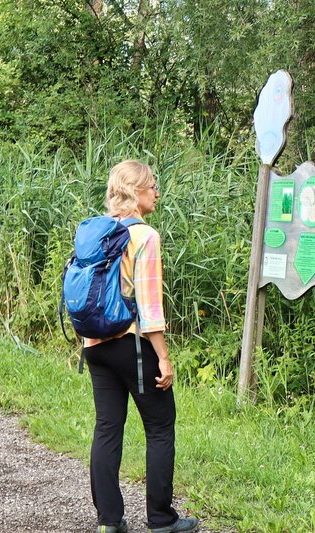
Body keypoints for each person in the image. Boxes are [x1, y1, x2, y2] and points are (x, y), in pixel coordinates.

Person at [82, 160, 198, 533]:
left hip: (95, 344)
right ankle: (162, 520)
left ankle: (109, 522)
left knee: (107, 428)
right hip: (131, 344)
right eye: (152, 185)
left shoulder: (97, 231)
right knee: (161, 426)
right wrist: (163, 357)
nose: (157, 192)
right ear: (135, 192)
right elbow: (149, 308)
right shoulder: (145, 236)